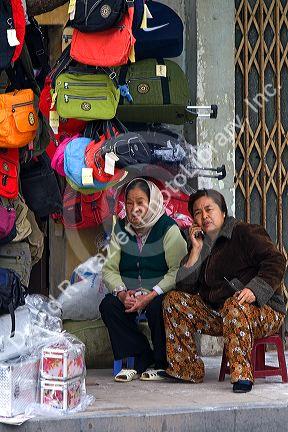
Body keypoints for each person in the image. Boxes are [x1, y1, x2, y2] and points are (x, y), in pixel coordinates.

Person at [162, 189, 286, 393]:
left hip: (264, 310)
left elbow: (276, 260)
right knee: (173, 301)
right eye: (198, 213)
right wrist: (195, 251)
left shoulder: (244, 232)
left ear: (223, 212)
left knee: (233, 305)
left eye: (209, 209)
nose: (204, 216)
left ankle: (242, 376)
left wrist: (254, 290)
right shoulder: (202, 243)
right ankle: (186, 369)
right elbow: (185, 288)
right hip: (221, 313)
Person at [99, 178, 187, 382]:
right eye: (129, 203)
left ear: (153, 203)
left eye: (140, 202)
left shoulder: (168, 229)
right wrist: (122, 293)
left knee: (159, 306)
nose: (134, 209)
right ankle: (140, 355)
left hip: (159, 292)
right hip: (131, 294)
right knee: (108, 306)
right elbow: (110, 269)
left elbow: (178, 270)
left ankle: (161, 362)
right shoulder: (121, 229)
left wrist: (152, 293)